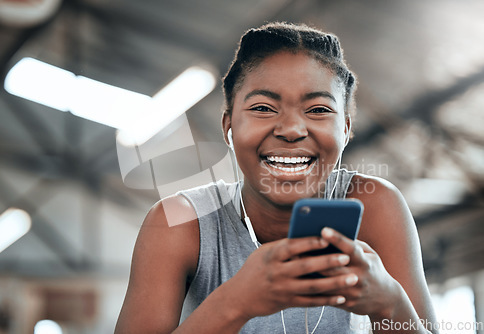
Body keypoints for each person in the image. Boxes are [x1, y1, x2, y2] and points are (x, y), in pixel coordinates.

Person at [115, 22, 439, 333]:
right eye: (263, 108)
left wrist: (390, 305)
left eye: (318, 110)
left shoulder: (373, 204)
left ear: (346, 129)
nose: (291, 130)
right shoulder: (181, 222)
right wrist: (236, 301)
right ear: (229, 127)